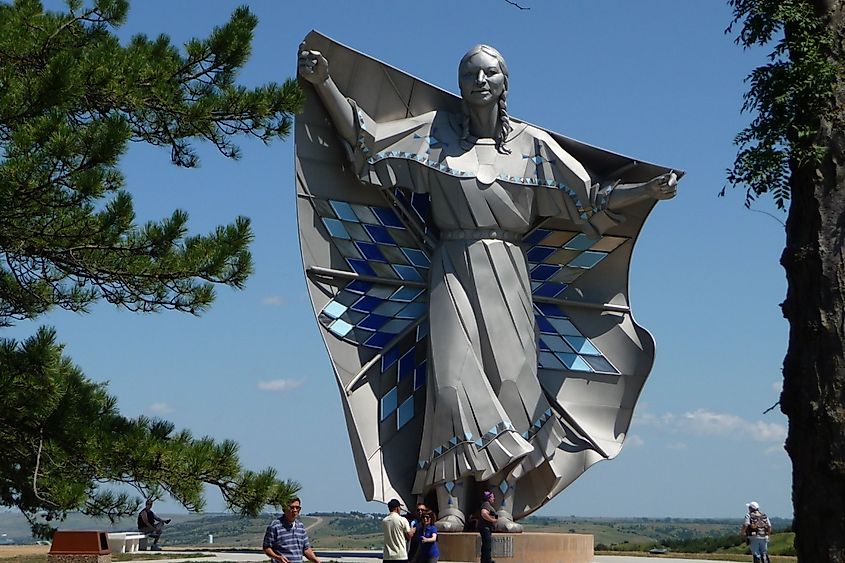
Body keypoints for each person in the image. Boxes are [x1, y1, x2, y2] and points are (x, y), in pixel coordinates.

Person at [299, 43, 677, 532]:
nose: (480, 81)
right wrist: (324, 84)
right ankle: (452, 503)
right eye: (470, 73)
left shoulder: (533, 147)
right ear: (459, 84)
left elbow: (590, 201)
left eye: (489, 73)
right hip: (452, 267)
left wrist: (647, 190)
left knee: (513, 382)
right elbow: (368, 146)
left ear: (504, 83)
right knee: (450, 383)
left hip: (509, 269)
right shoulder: (434, 136)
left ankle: (503, 505)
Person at [262, 497, 321, 563]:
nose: (295, 510)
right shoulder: (275, 526)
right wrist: (277, 557)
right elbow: (266, 548)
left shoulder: (300, 526)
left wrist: (317, 561)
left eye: (297, 508)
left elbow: (306, 549)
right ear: (284, 509)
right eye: (292, 507)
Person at [478, 491, 498, 563]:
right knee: (487, 544)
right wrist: (492, 520)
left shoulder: (487, 505)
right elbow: (484, 513)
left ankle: (485, 559)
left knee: (486, 544)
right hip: (485, 528)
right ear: (488, 498)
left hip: (487, 528)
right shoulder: (486, 504)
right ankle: (487, 560)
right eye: (492, 497)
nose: (494, 498)